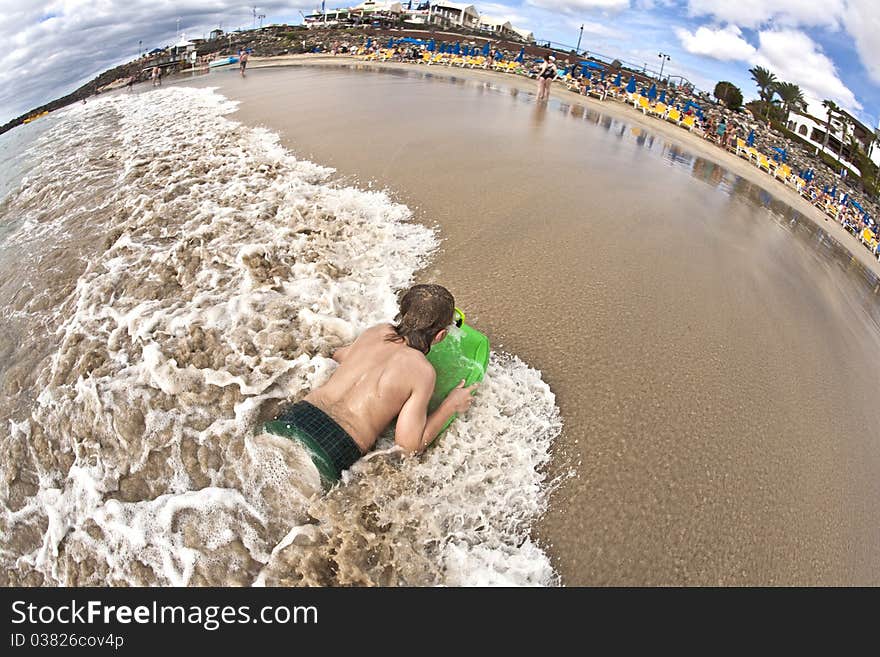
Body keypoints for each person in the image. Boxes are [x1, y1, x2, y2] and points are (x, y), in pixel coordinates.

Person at [274, 284, 478, 483]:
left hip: (297, 417)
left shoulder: (376, 332)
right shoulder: (423, 372)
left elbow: (339, 356)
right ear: (441, 335)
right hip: (334, 445)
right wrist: (451, 405)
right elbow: (408, 447)